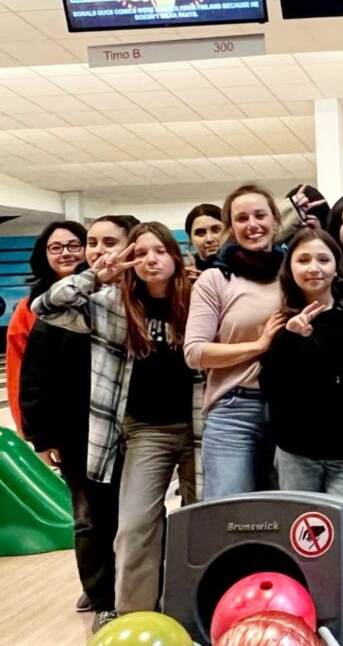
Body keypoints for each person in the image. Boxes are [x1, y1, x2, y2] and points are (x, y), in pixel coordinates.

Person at [33, 222, 199, 629]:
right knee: (134, 526)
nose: (150, 259)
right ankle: (135, 616)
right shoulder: (110, 302)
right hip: (146, 431)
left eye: (159, 250)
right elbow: (44, 308)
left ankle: (196, 609)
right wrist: (95, 275)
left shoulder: (198, 298)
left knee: (199, 521)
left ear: (175, 257)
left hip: (201, 427)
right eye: (140, 252)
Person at [19, 215, 138, 630]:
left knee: (133, 517)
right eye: (93, 242)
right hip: (75, 431)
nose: (96, 250)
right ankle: (103, 596)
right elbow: (33, 373)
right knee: (91, 519)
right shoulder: (61, 302)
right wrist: (40, 434)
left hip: (131, 430)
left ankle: (134, 589)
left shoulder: (139, 297)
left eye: (108, 241)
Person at [184, 184, 285, 499]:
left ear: (275, 222)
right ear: (231, 228)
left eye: (260, 215)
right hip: (234, 410)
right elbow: (195, 352)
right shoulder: (216, 279)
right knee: (231, 517)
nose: (252, 224)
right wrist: (258, 346)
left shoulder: (295, 272)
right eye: (242, 218)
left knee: (288, 520)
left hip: (290, 409)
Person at [259, 227, 343, 509]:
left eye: (323, 259)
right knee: (300, 537)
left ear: (336, 266)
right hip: (296, 451)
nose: (314, 268)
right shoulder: (281, 321)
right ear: (290, 267)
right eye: (303, 260)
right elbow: (270, 385)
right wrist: (292, 339)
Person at [6, 222, 86, 436]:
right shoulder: (28, 308)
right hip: (62, 422)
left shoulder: (108, 296)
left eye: (74, 245)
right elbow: (20, 372)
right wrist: (29, 429)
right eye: (56, 248)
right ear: (45, 255)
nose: (66, 253)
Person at [183, 204, 225, 280]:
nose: (209, 239)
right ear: (191, 239)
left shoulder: (248, 269)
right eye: (200, 233)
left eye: (216, 230)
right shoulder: (185, 277)